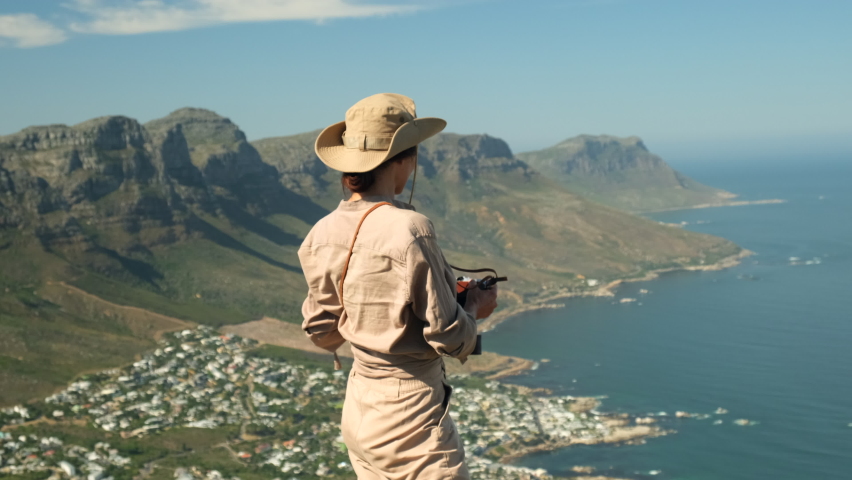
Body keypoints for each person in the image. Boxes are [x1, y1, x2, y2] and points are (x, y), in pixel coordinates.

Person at [298, 93, 498, 480]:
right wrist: (475, 309)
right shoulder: (411, 229)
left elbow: (321, 333)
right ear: (404, 159)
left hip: (359, 412)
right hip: (411, 422)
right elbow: (449, 336)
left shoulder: (321, 233)